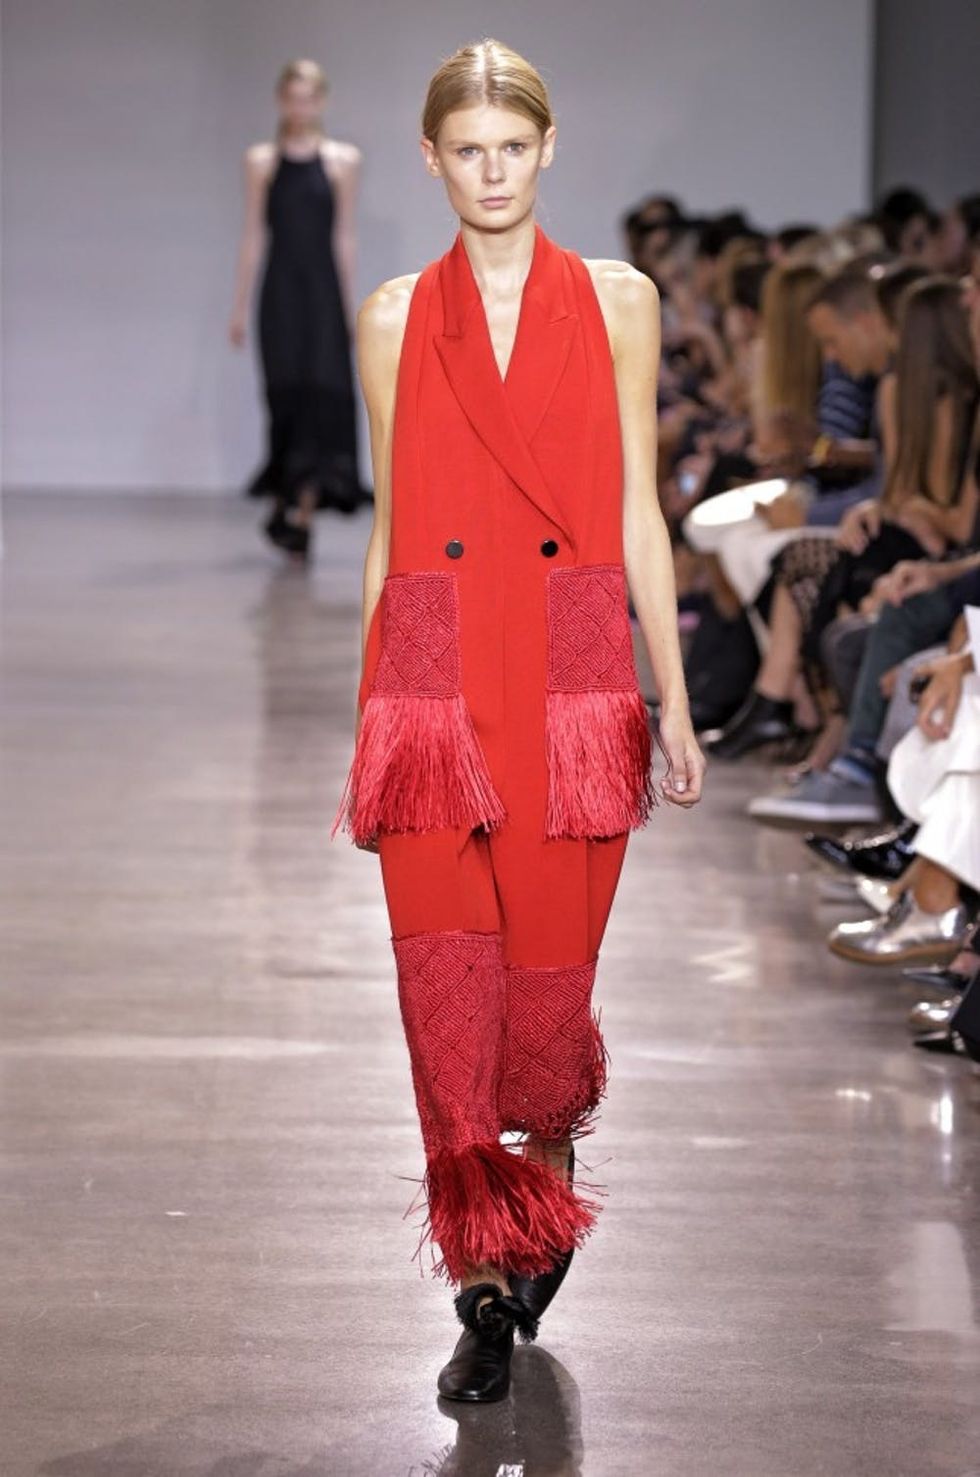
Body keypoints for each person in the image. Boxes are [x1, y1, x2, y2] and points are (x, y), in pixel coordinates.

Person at [331, 38, 704, 1403]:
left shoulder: (618, 303)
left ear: (549, 149)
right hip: (433, 688)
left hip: (570, 685)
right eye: (466, 151)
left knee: (544, 1007)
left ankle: (535, 1194)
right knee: (444, 998)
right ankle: (481, 1283)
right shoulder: (390, 317)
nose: (490, 173)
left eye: (512, 147)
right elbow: (386, 528)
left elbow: (637, 514)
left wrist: (671, 702)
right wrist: (370, 710)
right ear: (431, 161)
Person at [228, 58, 367, 560]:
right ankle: (288, 498)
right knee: (285, 395)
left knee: (324, 396)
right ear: (281, 101)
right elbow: (253, 235)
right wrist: (240, 306)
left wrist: (352, 307)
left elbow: (344, 236)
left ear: (322, 101)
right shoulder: (261, 161)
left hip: (324, 294)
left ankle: (302, 513)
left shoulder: (342, 161)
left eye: (310, 96)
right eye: (293, 96)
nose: (301, 105)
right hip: (280, 294)